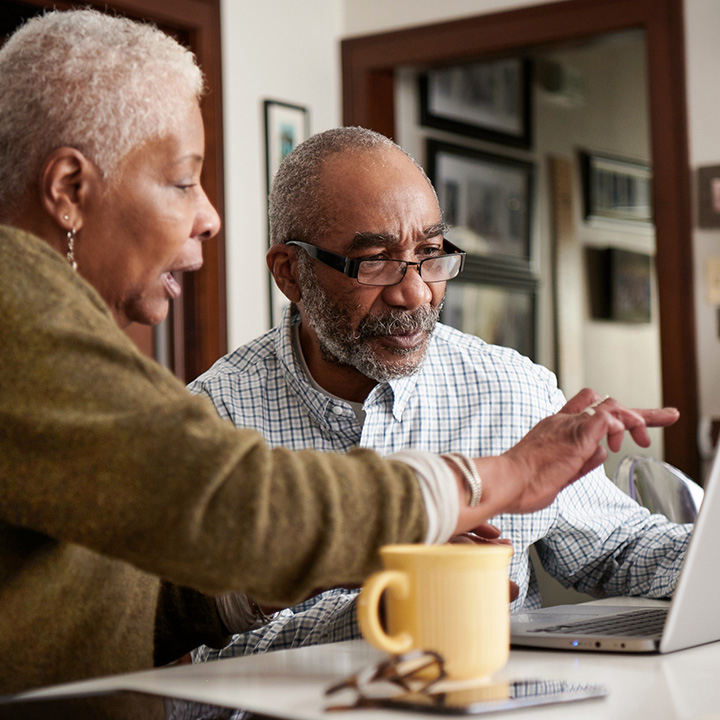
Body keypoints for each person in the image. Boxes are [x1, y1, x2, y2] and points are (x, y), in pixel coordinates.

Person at [0, 10, 673, 696]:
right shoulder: (20, 319)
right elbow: (241, 501)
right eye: (183, 181)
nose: (209, 216)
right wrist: (494, 480)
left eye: (432, 255)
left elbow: (149, 612)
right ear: (68, 190)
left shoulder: (53, 320)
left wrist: (326, 565)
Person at [188, 126, 691, 661]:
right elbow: (199, 654)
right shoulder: (213, 422)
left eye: (431, 253)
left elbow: (619, 550)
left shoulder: (510, 389)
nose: (416, 292)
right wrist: (386, 609)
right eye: (376, 260)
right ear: (290, 274)